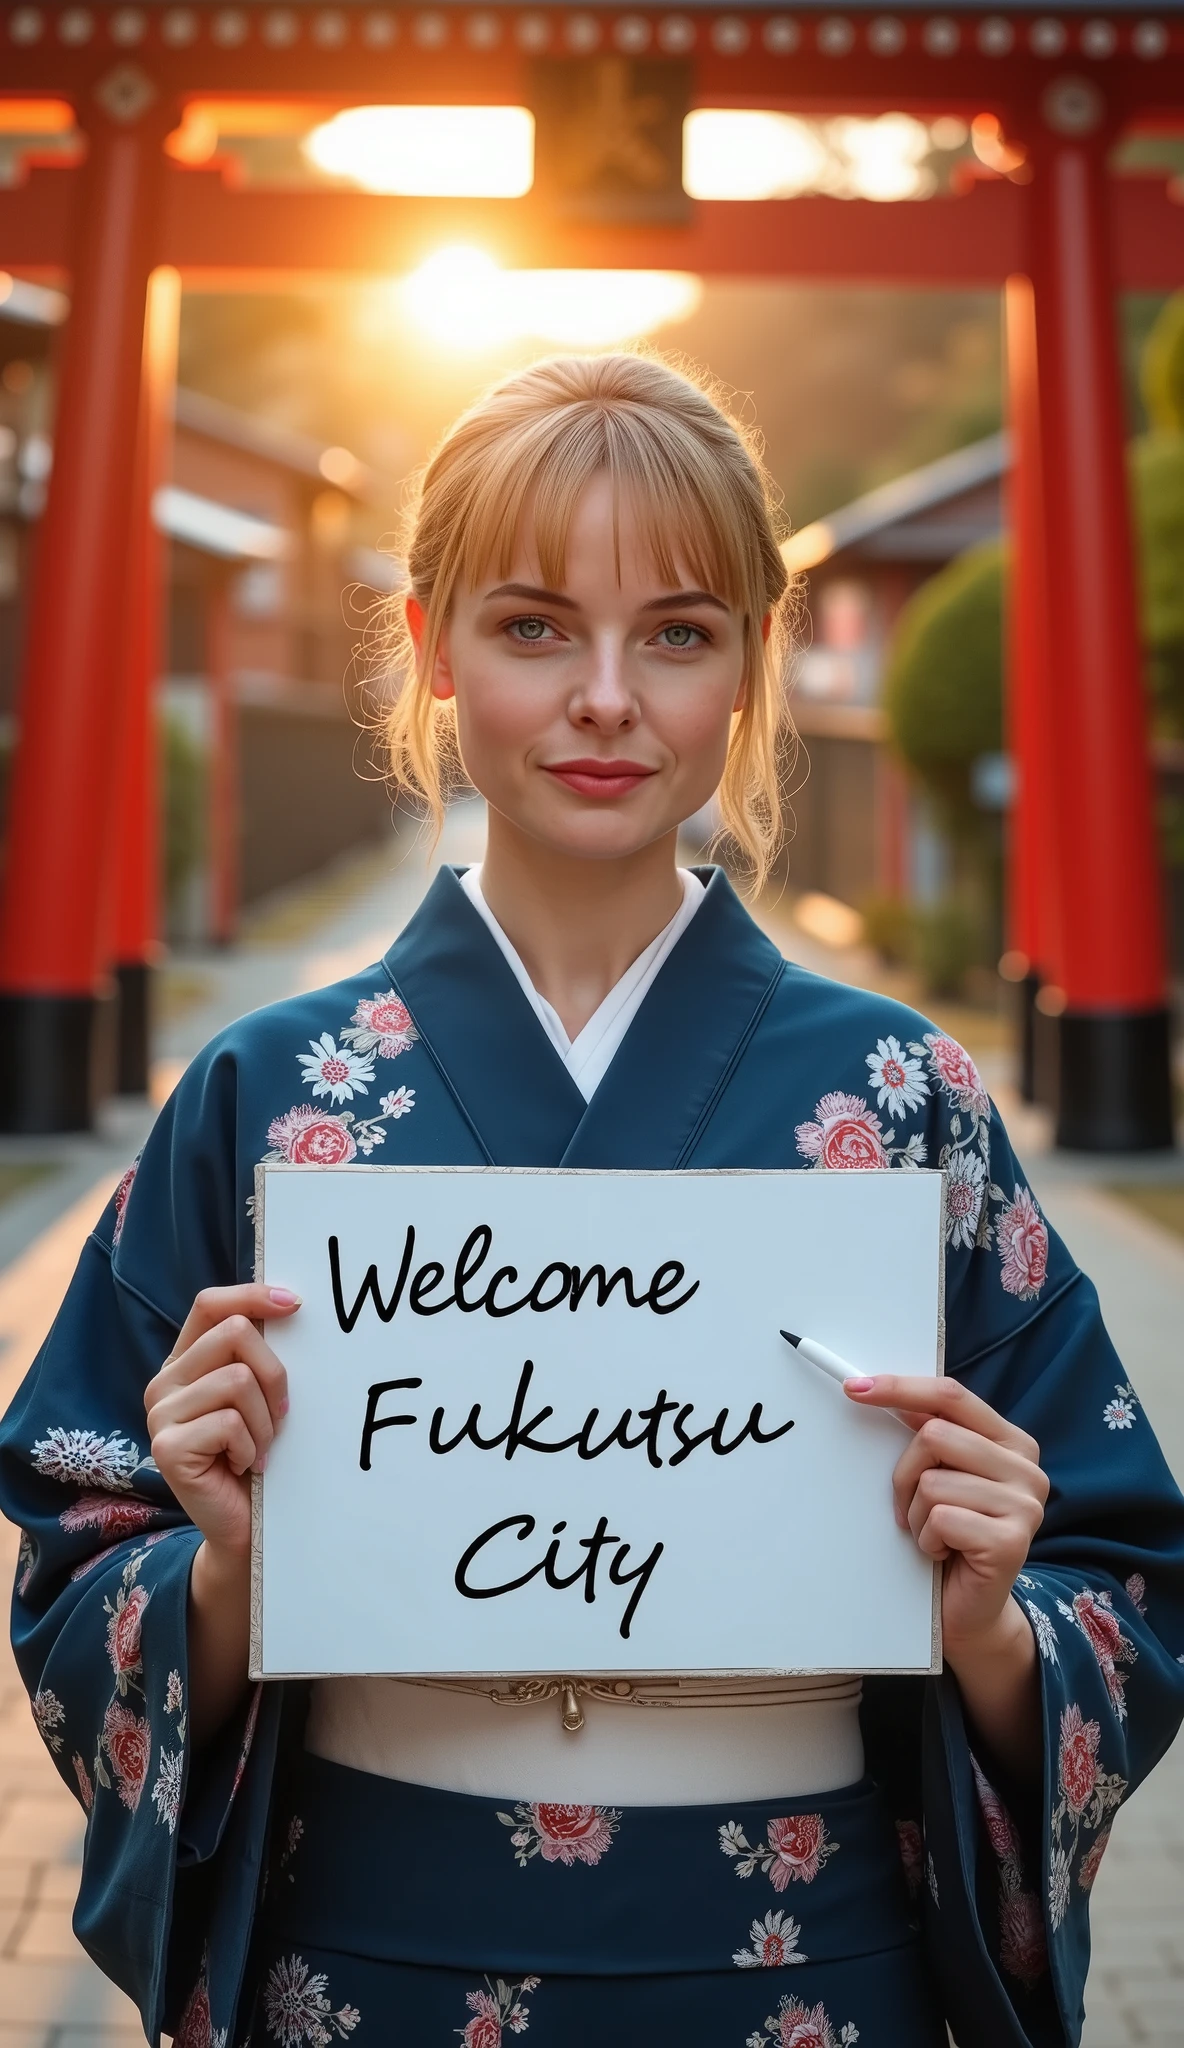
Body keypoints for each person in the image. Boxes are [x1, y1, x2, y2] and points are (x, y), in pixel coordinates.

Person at [2, 353, 1182, 2048]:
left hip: (802, 1964)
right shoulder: (267, 1098)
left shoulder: (904, 1098)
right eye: (537, 625)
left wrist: (996, 1623)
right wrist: (225, 1570)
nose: (608, 699)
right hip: (369, 1962)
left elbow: (1122, 1571)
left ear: (750, 669)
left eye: (682, 634)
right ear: (428, 646)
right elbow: (74, 1561)